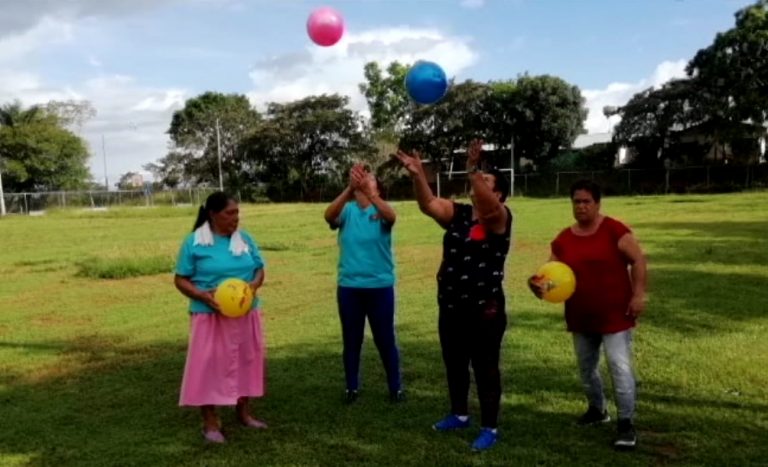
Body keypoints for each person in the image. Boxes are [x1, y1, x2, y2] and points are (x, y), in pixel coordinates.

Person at [394, 140, 512, 452]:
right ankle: (459, 414)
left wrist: (474, 168)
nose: (478, 182)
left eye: (487, 181)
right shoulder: (459, 214)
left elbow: (488, 207)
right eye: (477, 179)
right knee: (455, 363)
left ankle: (490, 427)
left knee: (485, 367)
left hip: (484, 309)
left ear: (499, 194)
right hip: (450, 305)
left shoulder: (500, 217)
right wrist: (418, 175)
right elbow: (428, 204)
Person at [528, 180, 647, 450]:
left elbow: (638, 260)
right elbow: (551, 275)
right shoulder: (564, 239)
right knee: (586, 369)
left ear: (597, 203)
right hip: (581, 316)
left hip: (615, 314)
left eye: (586, 202)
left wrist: (638, 294)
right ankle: (597, 410)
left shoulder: (614, 230)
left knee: (619, 367)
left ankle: (626, 424)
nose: (581, 206)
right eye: (576, 202)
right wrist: (539, 286)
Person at [174, 192, 268, 444]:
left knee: (246, 361)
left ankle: (244, 413)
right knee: (208, 366)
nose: (236, 218)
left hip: (246, 314)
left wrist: (253, 287)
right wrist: (202, 296)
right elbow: (180, 279)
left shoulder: (245, 239)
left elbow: (259, 269)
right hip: (209, 316)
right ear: (213, 214)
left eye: (237, 212)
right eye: (230, 213)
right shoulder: (194, 242)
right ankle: (210, 422)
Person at [324, 164, 403, 404]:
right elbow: (329, 216)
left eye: (369, 178)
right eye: (361, 178)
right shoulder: (347, 211)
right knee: (352, 339)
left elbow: (392, 217)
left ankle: (395, 388)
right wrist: (349, 189)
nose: (364, 180)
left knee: (384, 338)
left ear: (377, 187)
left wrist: (371, 195)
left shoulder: (381, 211)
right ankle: (351, 387)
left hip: (379, 287)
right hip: (350, 287)